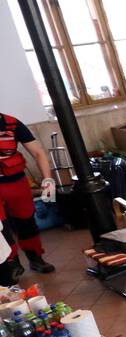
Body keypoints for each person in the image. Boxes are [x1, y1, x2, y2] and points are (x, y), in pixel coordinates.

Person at [0, 113, 56, 274]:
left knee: (26, 221)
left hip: (16, 183)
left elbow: (38, 152)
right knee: (1, 229)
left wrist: (48, 180)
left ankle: (35, 259)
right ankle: (11, 264)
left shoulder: (12, 124)